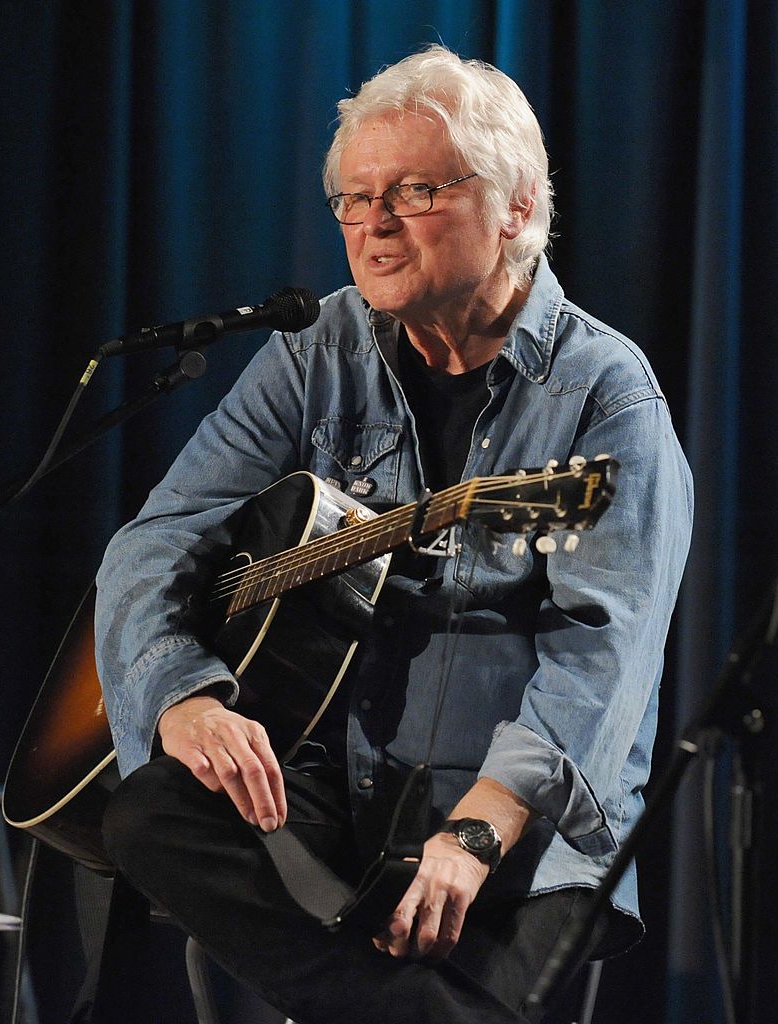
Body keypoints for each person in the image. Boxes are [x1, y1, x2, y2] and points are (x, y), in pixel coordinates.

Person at [95, 45, 693, 1024]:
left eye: (414, 191)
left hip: (517, 832)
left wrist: (475, 836)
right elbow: (157, 537)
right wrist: (181, 698)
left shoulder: (607, 395)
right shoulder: (317, 347)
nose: (372, 224)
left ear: (515, 207)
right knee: (150, 814)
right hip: (336, 787)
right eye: (353, 197)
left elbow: (602, 661)